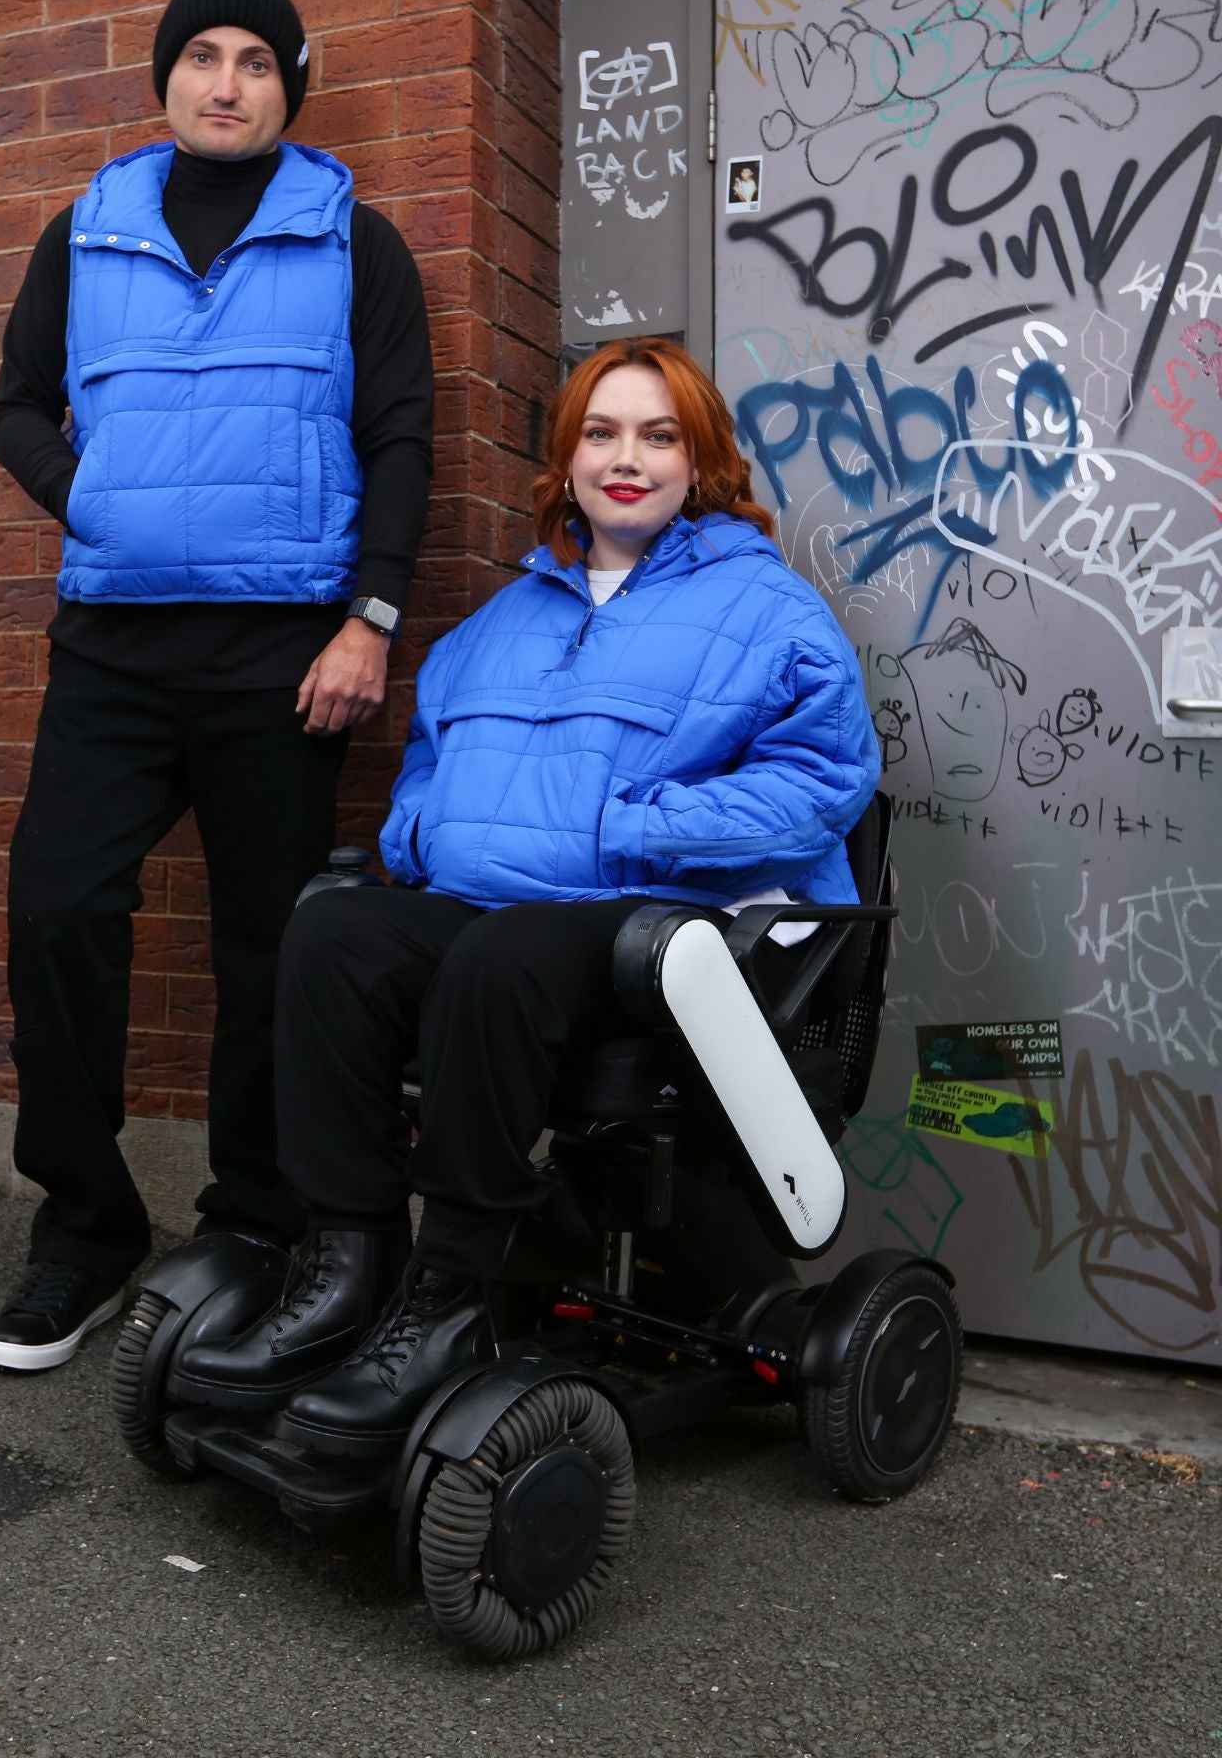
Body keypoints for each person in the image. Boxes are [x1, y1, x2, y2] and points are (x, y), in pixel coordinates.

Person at [175, 336, 879, 1452]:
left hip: (661, 931)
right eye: (601, 433)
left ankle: (450, 1297)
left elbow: (820, 785)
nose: (627, 458)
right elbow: (425, 769)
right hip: (504, 911)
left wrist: (623, 829)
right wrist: (420, 832)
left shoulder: (769, 611)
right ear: (566, 458)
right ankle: (352, 1265)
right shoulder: (500, 621)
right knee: (333, 932)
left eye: (658, 435)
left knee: (496, 958)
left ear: (700, 461)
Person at [0, 0, 434, 1371]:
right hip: (111, 647)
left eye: (254, 60)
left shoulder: (356, 240)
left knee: (267, 954)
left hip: (281, 656)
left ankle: (251, 1224)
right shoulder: (90, 225)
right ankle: (85, 1231)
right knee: (57, 910)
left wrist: (371, 619)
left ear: (288, 86)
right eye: (201, 58)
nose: (226, 82)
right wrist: (92, 491)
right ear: (165, 78)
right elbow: (13, 405)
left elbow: (403, 435)